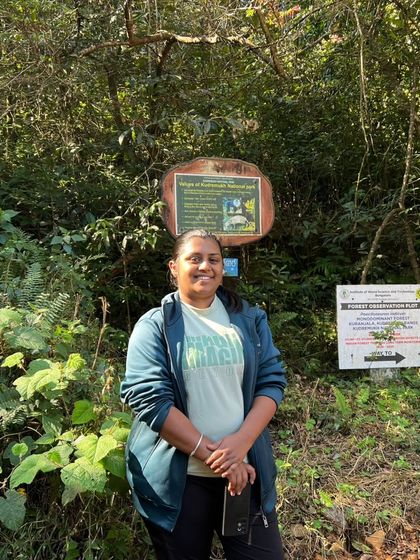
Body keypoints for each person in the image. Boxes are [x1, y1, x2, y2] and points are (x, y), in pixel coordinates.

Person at [120, 229, 287, 560]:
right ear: (173, 267)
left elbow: (271, 381)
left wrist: (241, 444)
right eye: (194, 258)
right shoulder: (154, 326)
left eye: (213, 259)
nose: (205, 267)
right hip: (180, 485)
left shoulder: (250, 320)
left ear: (223, 268)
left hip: (245, 476)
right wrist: (223, 460)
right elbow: (150, 400)